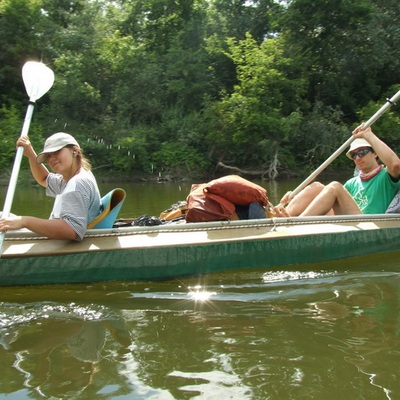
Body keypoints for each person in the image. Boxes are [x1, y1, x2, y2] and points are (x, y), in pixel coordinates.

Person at [274, 124, 400, 217]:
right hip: (348, 221)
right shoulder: (352, 183)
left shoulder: (386, 176)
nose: (358, 157)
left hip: (369, 224)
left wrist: (368, 135)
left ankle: (297, 224)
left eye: (362, 152)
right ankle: (283, 217)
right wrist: (296, 197)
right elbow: (329, 201)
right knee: (317, 187)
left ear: (375, 153)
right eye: (354, 155)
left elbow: (395, 164)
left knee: (334, 187)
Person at [0, 132, 101, 240]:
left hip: (57, 246)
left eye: (57, 151)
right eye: (48, 156)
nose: (51, 158)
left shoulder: (78, 183)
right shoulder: (70, 179)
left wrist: (25, 222)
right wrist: (30, 153)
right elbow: (43, 178)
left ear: (75, 151)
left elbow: (72, 230)